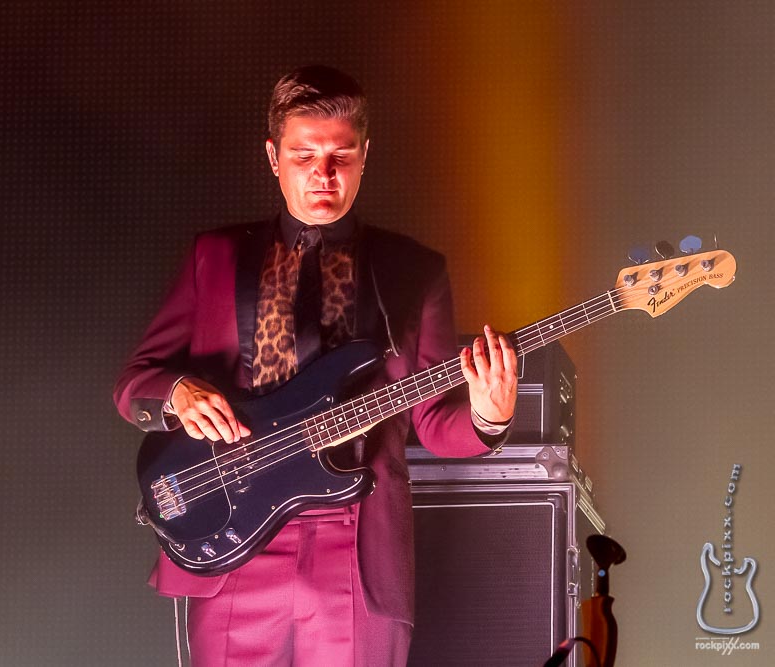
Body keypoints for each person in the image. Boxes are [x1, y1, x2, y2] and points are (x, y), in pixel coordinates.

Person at [114, 65, 518, 666]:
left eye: (340, 156)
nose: (322, 174)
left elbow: (435, 423)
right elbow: (134, 383)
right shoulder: (215, 256)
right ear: (272, 157)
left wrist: (489, 415)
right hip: (232, 538)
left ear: (364, 156)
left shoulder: (413, 270)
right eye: (303, 156)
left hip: (354, 543)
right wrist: (178, 392)